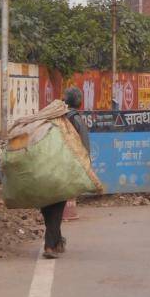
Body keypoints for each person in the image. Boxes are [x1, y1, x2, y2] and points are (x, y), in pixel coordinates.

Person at [41, 86, 90, 259]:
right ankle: (49, 246)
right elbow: (84, 148)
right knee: (57, 206)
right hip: (62, 169)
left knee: (48, 206)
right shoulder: (76, 120)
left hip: (44, 167)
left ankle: (57, 241)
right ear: (80, 102)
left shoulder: (52, 116)